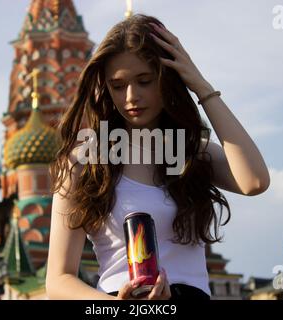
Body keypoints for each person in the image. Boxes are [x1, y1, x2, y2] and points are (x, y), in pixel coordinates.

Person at [45, 14, 270, 300]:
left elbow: (255, 181)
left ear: (167, 79)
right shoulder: (86, 161)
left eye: (144, 81)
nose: (131, 96)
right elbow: (58, 280)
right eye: (117, 85)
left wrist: (201, 86)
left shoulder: (190, 151)